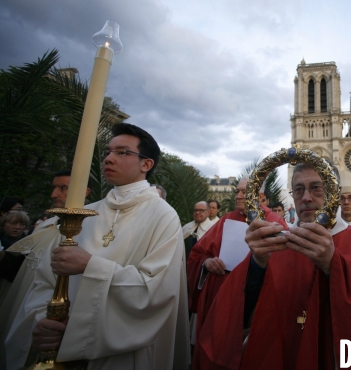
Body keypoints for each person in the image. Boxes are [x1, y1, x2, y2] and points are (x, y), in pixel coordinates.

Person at [193, 164, 351, 369]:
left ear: (334, 193)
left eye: (316, 188)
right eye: (298, 190)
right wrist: (256, 264)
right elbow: (238, 311)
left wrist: (333, 265)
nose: (306, 197)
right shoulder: (275, 243)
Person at [6, 123, 189, 370]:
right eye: (107, 152)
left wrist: (90, 265)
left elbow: (157, 290)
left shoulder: (163, 216)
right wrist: (44, 318)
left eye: (122, 152)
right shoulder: (84, 213)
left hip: (120, 352)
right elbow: (46, 278)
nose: (109, 158)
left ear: (146, 164)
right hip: (59, 342)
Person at [0, 170, 91, 368]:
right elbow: (23, 267)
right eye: (54, 187)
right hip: (19, 304)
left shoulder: (90, 230)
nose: (54, 194)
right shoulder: (47, 225)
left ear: (84, 191)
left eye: (63, 188)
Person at [187, 177, 287, 357]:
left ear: (260, 196)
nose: (239, 196)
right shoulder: (226, 219)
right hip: (221, 302)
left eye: (244, 192)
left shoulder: (275, 222)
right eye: (237, 192)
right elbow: (197, 254)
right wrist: (207, 262)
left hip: (257, 305)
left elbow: (284, 268)